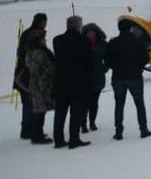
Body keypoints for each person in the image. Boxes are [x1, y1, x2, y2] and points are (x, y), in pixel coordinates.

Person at [105, 20, 151, 140]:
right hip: (135, 77)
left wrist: (116, 66)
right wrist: (138, 66)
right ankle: (143, 129)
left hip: (118, 78)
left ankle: (118, 132)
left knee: (119, 105)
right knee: (139, 104)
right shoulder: (138, 42)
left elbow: (107, 61)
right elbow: (146, 58)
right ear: (131, 28)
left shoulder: (113, 43)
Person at [52, 16, 93, 149]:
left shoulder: (57, 40)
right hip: (78, 83)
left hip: (60, 82)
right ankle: (74, 139)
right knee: (76, 113)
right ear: (78, 26)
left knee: (60, 113)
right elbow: (89, 61)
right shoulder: (83, 41)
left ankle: (58, 139)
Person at [13, 13, 47, 141]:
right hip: (27, 76)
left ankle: (28, 129)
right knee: (30, 104)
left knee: (28, 103)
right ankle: (29, 130)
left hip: (22, 74)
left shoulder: (26, 34)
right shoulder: (34, 35)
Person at [23, 30, 54, 144]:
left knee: (38, 110)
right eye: (43, 39)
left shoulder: (30, 51)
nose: (45, 41)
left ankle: (36, 132)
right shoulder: (40, 53)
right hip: (42, 85)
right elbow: (49, 68)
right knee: (40, 111)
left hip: (35, 84)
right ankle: (37, 135)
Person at [82, 23, 108, 132]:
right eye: (88, 32)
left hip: (98, 77)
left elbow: (108, 58)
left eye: (92, 32)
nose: (90, 34)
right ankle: (83, 124)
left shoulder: (102, 44)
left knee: (94, 102)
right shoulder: (81, 43)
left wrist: (104, 68)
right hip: (84, 78)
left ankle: (92, 122)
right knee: (84, 103)